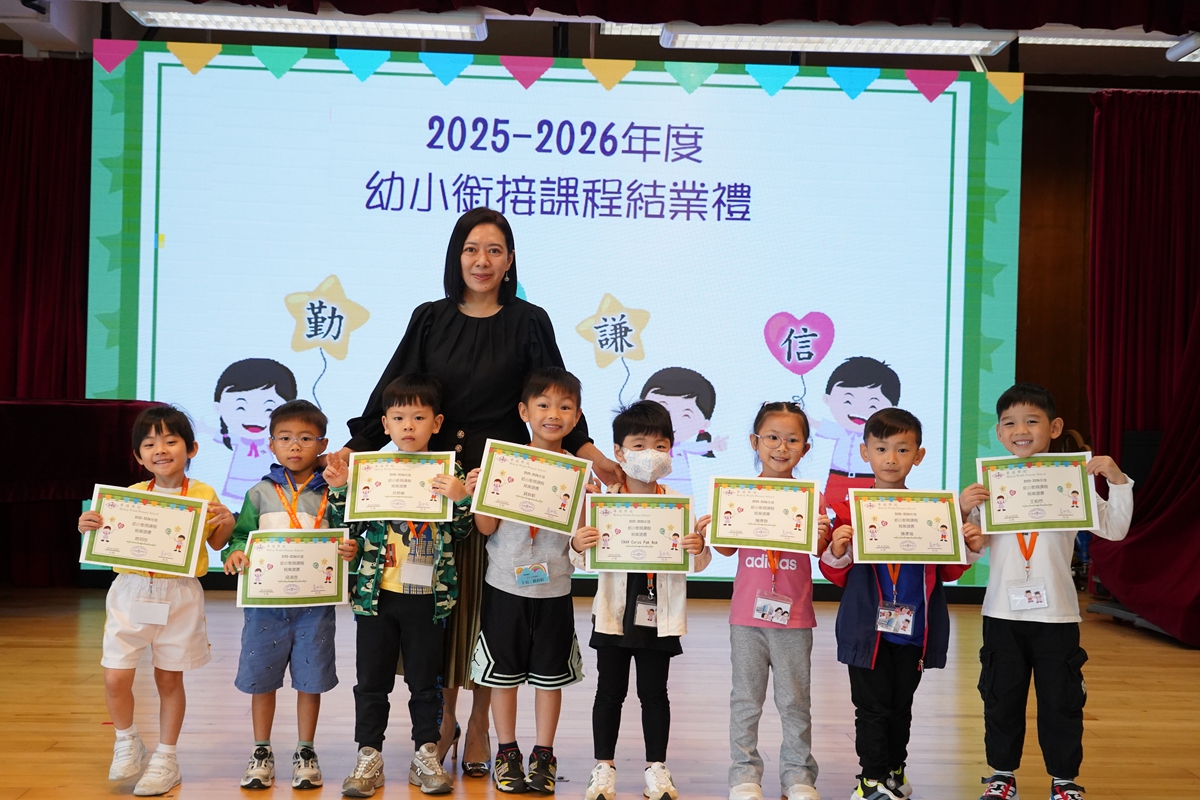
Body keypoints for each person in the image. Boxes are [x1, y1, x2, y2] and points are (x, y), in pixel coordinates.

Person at [335, 207, 622, 773]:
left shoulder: (530, 320)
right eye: (471, 249)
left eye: (494, 250)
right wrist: (355, 446)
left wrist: (590, 454)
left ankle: (483, 723)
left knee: (491, 615)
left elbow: (554, 394)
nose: (482, 260)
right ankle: (444, 721)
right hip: (434, 493)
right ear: (456, 256)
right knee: (441, 612)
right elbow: (394, 389)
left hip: (502, 493)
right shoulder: (429, 317)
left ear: (510, 260)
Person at [959, 384, 1133, 800]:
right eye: (1010, 423)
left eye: (1032, 421)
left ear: (1054, 428)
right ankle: (1002, 775)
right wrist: (964, 512)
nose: (1021, 430)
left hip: (1057, 615)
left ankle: (1064, 780)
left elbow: (1114, 529)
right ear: (998, 433)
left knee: (1062, 700)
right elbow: (969, 555)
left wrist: (1118, 481)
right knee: (1000, 698)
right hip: (1001, 613)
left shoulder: (1073, 481)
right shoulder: (990, 487)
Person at [819, 408, 985, 800]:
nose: (891, 458)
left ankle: (894, 770)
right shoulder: (849, 510)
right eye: (881, 449)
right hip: (866, 631)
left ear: (919, 455)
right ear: (865, 452)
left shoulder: (932, 511)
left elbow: (947, 571)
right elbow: (835, 574)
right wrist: (838, 549)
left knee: (901, 705)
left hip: (914, 630)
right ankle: (870, 780)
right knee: (872, 707)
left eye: (902, 449)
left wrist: (969, 547)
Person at [77, 406, 235, 797]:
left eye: (170, 441)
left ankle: (166, 758)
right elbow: (107, 537)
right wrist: (88, 526)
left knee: (169, 677)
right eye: (149, 444)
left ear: (191, 448)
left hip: (179, 593)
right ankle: (127, 739)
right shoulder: (128, 497)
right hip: (131, 591)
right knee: (115, 675)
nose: (160, 450)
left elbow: (217, 543)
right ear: (138, 456)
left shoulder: (202, 494)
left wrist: (227, 522)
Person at [332, 375, 476, 797]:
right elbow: (348, 527)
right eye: (398, 418)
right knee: (371, 682)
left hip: (429, 597)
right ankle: (368, 756)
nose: (408, 425)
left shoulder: (449, 471)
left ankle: (426, 754)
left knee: (425, 683)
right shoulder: (370, 469)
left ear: (437, 422)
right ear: (385, 424)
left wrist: (461, 498)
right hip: (374, 595)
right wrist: (339, 493)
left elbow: (463, 532)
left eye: (418, 417)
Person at [578, 401, 713, 800]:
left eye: (660, 446)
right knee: (609, 692)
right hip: (613, 614)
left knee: (655, 694)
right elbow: (581, 560)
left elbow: (697, 564)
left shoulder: (678, 504)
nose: (649, 454)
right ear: (619, 452)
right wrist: (578, 542)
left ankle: (657, 767)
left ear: (671, 449)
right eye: (638, 446)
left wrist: (699, 547)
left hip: (659, 614)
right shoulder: (603, 503)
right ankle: (603, 767)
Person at [222, 400, 357, 791]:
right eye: (285, 438)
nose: (295, 446)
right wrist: (235, 551)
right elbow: (241, 536)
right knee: (262, 679)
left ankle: (305, 751)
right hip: (265, 607)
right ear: (271, 444)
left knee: (310, 681)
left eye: (305, 438)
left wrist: (351, 548)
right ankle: (261, 751)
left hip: (315, 607)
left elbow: (350, 535)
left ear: (323, 444)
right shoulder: (259, 493)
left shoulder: (334, 492)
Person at [469, 368, 593, 794]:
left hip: (555, 588)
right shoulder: (503, 463)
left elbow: (579, 542)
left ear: (577, 417)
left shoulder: (579, 472)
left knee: (549, 678)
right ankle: (507, 752)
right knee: (503, 677)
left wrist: (584, 526)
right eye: (543, 405)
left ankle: (544, 754)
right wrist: (481, 493)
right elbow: (486, 528)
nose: (553, 414)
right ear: (524, 412)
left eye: (564, 407)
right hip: (505, 586)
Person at [714, 402, 831, 800]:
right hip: (746, 618)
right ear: (755, 442)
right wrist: (714, 524)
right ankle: (743, 774)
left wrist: (822, 532)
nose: (782, 447)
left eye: (792, 440)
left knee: (795, 700)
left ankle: (798, 775)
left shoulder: (812, 499)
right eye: (772, 438)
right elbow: (726, 548)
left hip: (794, 619)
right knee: (746, 699)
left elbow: (819, 549)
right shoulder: (739, 495)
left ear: (806, 447)